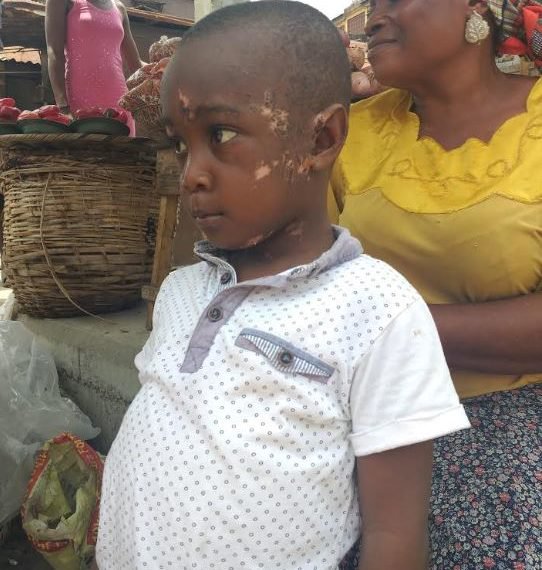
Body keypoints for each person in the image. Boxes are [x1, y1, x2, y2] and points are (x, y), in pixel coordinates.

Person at [94, 2, 470, 569]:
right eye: (181, 144)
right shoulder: (179, 291)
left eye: (221, 134)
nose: (192, 173)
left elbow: (394, 536)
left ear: (321, 140)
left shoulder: (377, 310)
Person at [330, 0, 542, 568]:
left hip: (514, 424)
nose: (373, 18)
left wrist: (384, 329)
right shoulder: (349, 132)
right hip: (357, 417)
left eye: (395, 0)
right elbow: (303, 276)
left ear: (475, 8)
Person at [45, 0, 143, 134]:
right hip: (80, 103)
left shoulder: (119, 8)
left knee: (123, 147)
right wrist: (63, 106)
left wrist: (163, 70)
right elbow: (54, 52)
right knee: (86, 147)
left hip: (119, 104)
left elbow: (136, 65)